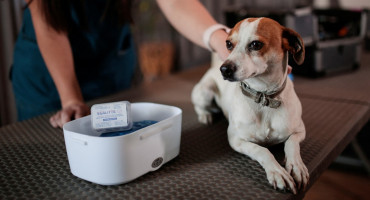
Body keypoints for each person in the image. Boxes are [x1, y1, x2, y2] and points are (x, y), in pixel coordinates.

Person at [11, 0, 229, 128]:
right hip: (48, 79)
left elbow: (174, 2)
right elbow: (49, 27)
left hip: (110, 60)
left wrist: (222, 41)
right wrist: (70, 99)